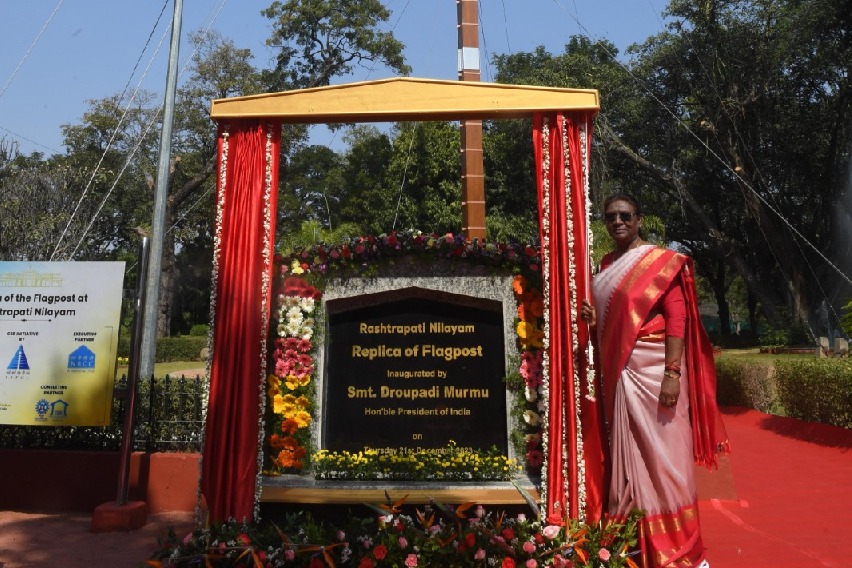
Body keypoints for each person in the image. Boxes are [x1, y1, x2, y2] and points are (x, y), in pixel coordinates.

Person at [580, 193, 728, 568]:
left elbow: (676, 320)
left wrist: (672, 374)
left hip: (656, 373)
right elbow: (611, 326)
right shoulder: (606, 264)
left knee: (668, 465)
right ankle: (634, 547)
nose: (617, 222)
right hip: (622, 377)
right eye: (610, 216)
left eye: (625, 215)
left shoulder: (662, 262)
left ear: (639, 218)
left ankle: (684, 550)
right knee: (629, 464)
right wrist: (593, 321)